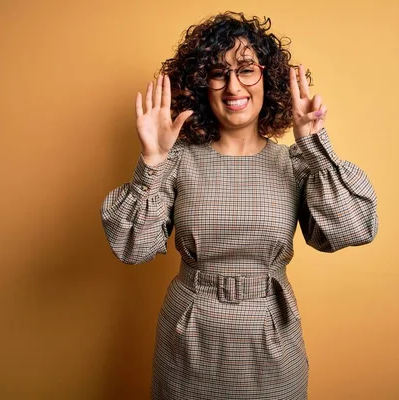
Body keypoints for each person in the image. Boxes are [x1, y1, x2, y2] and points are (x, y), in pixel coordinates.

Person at [101, 11, 378, 400]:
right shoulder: (178, 160)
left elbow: (355, 228)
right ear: (203, 85)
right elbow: (132, 247)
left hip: (272, 341)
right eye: (218, 72)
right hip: (188, 340)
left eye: (246, 69)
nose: (233, 84)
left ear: (268, 77)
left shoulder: (296, 163)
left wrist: (315, 147)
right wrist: (152, 161)